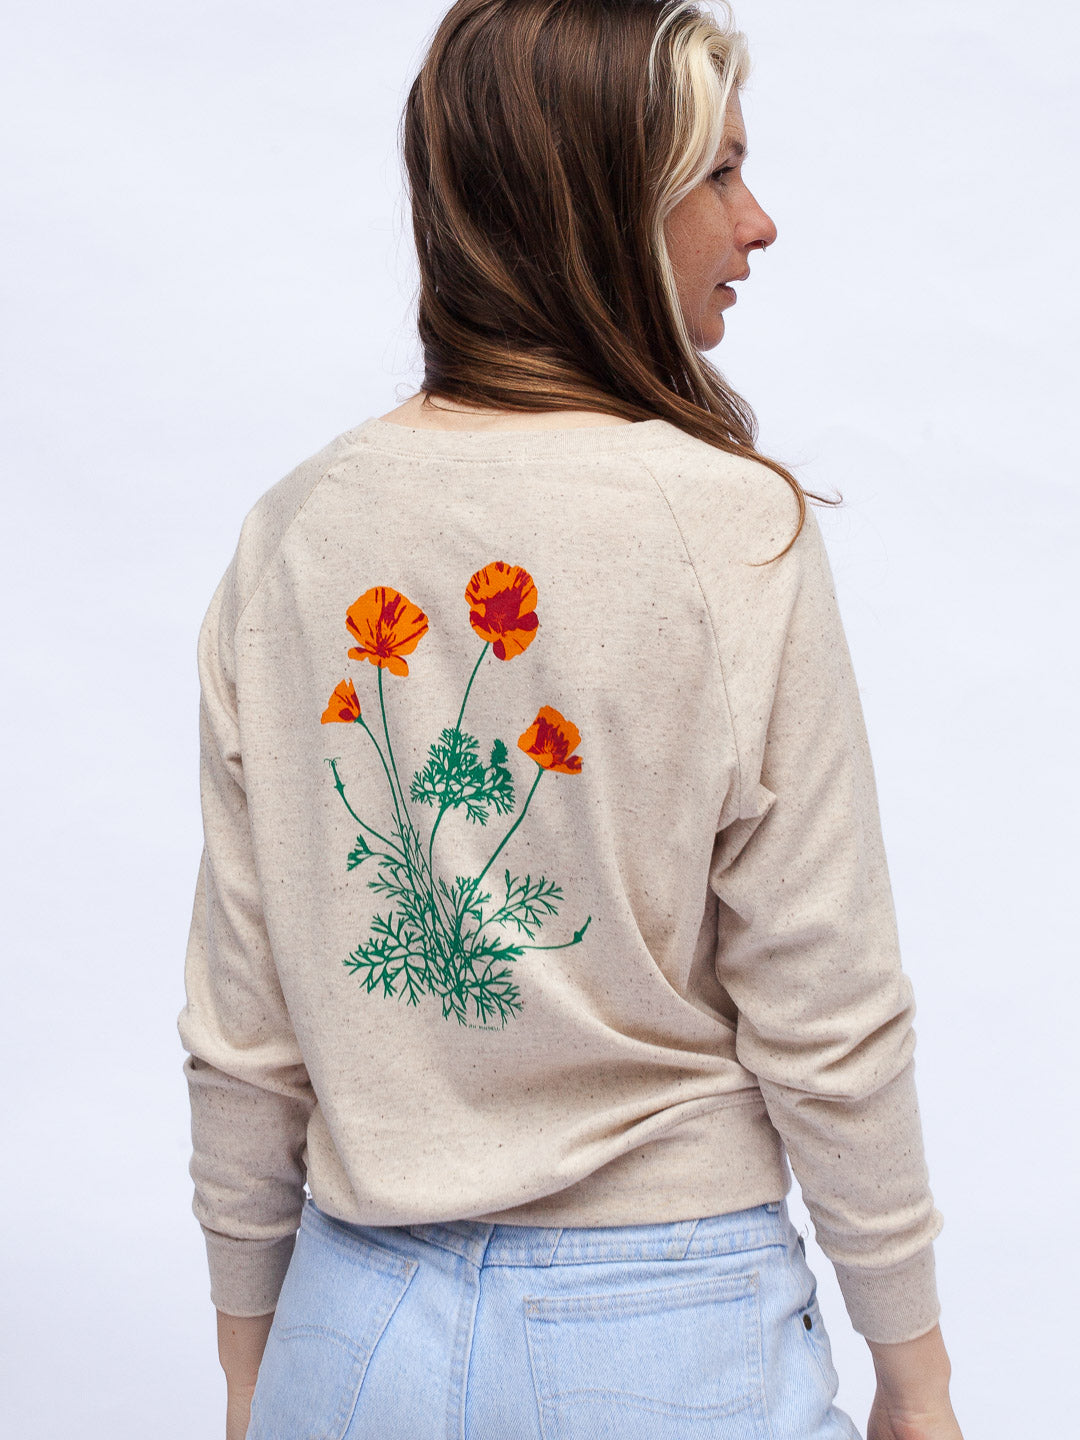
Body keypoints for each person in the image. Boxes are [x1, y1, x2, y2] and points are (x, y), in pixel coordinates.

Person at [178, 3, 966, 1437]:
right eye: (717, 174)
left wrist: (252, 1367)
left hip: (349, 1334)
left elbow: (246, 1023)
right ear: (604, 206)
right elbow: (825, 1000)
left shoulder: (291, 535)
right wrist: (914, 1372)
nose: (761, 220)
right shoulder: (732, 532)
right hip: (662, 1334)